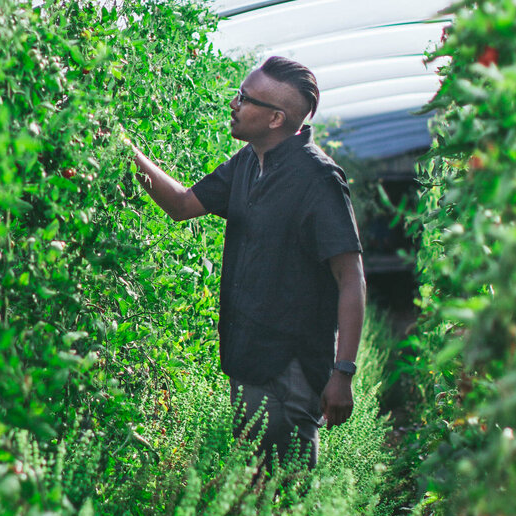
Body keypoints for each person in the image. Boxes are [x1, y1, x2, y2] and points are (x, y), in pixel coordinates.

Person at [132, 54, 365, 470]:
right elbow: (184, 204)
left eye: (244, 98)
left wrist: (342, 372)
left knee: (282, 495)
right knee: (255, 488)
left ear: (275, 119)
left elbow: (351, 278)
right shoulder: (248, 163)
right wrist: (126, 154)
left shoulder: (318, 180)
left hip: (289, 369)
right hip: (247, 357)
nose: (234, 105)